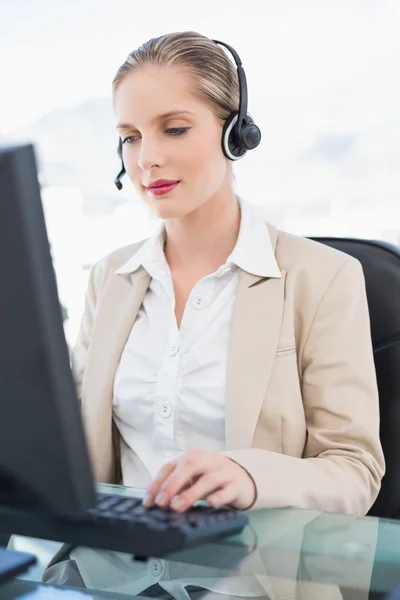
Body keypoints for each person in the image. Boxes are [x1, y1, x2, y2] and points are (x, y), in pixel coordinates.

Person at [43, 31, 385, 595]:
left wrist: (250, 474)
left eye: (174, 129)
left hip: (250, 580)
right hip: (105, 577)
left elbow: (354, 470)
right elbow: (76, 447)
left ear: (234, 134)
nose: (146, 157)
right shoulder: (110, 278)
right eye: (129, 137)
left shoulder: (321, 278)